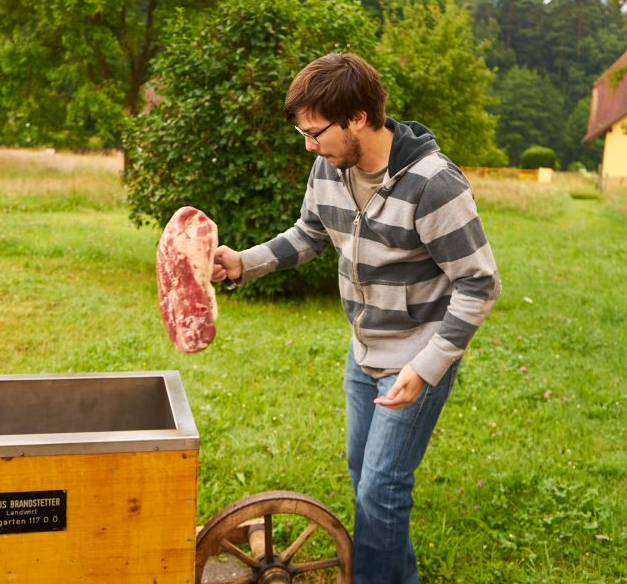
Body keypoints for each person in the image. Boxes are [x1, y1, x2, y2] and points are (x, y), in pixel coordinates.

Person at [211, 52, 501, 583]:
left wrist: (427, 365)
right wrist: (241, 264)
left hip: (417, 356)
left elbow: (479, 283)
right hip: (363, 350)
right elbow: (309, 234)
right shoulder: (330, 168)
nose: (309, 145)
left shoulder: (434, 184)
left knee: (381, 488)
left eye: (316, 132)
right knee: (364, 475)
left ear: (359, 119)